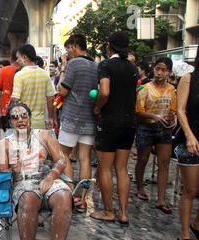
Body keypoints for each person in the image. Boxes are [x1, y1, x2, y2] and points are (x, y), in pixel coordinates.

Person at [0, 101, 75, 240]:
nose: (20, 120)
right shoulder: (3, 144)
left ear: (30, 118)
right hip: (24, 184)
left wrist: (52, 177)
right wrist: (11, 170)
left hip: (49, 179)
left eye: (24, 115)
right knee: (28, 197)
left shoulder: (45, 135)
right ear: (9, 123)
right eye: (15, 117)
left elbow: (61, 160)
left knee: (63, 196)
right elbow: (0, 174)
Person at [90, 31, 138, 226]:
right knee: (122, 168)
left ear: (110, 45)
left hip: (110, 122)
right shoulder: (133, 68)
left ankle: (109, 211)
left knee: (105, 168)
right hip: (129, 122)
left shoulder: (106, 65)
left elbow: (105, 91)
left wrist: (98, 106)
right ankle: (124, 212)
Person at [57, 34, 98, 213]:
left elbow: (63, 90)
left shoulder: (73, 64)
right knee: (85, 158)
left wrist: (64, 68)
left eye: (67, 48)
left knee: (64, 154)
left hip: (72, 116)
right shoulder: (95, 65)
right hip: (89, 118)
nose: (67, 52)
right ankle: (82, 199)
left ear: (74, 46)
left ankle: (70, 194)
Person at [174, 38, 199, 240]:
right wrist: (189, 135)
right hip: (192, 139)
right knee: (191, 190)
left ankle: (198, 224)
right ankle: (185, 234)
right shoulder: (189, 78)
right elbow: (180, 110)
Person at [135, 57, 177, 214]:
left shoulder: (171, 90)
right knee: (143, 159)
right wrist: (154, 117)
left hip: (165, 129)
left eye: (163, 70)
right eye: (157, 69)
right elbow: (139, 111)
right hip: (146, 127)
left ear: (169, 72)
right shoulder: (145, 88)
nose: (159, 73)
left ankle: (161, 199)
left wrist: (173, 120)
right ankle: (140, 187)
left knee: (164, 164)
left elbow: (173, 109)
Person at [11, 44, 57, 130]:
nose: (17, 61)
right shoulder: (45, 75)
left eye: (18, 58)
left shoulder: (19, 75)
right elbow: (51, 98)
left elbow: (15, 99)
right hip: (40, 123)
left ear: (25, 57)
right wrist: (50, 117)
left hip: (23, 122)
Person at [0, 48, 19, 130]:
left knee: (7, 131)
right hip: (21, 107)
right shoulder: (24, 71)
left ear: (11, 58)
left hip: (6, 106)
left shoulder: (4, 70)